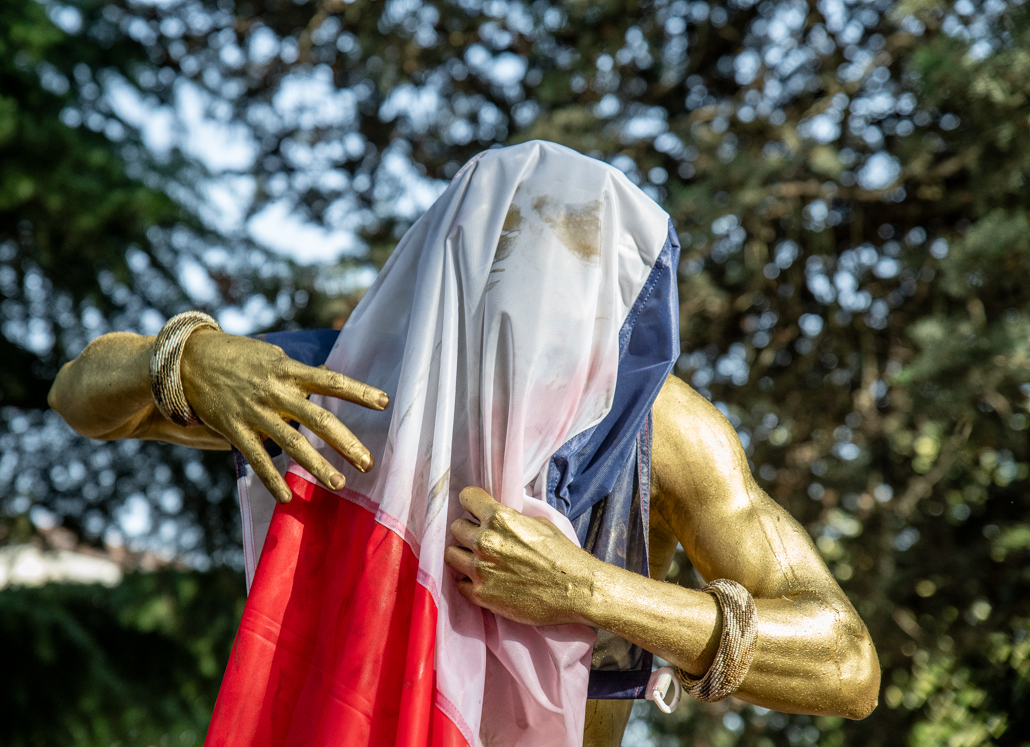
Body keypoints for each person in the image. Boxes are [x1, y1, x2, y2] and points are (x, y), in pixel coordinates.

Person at [49, 142, 879, 747]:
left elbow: (847, 663)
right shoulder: (353, 390)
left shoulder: (666, 435)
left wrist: (590, 589)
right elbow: (81, 394)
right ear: (453, 283)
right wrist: (191, 357)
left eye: (576, 303)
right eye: (511, 292)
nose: (541, 334)